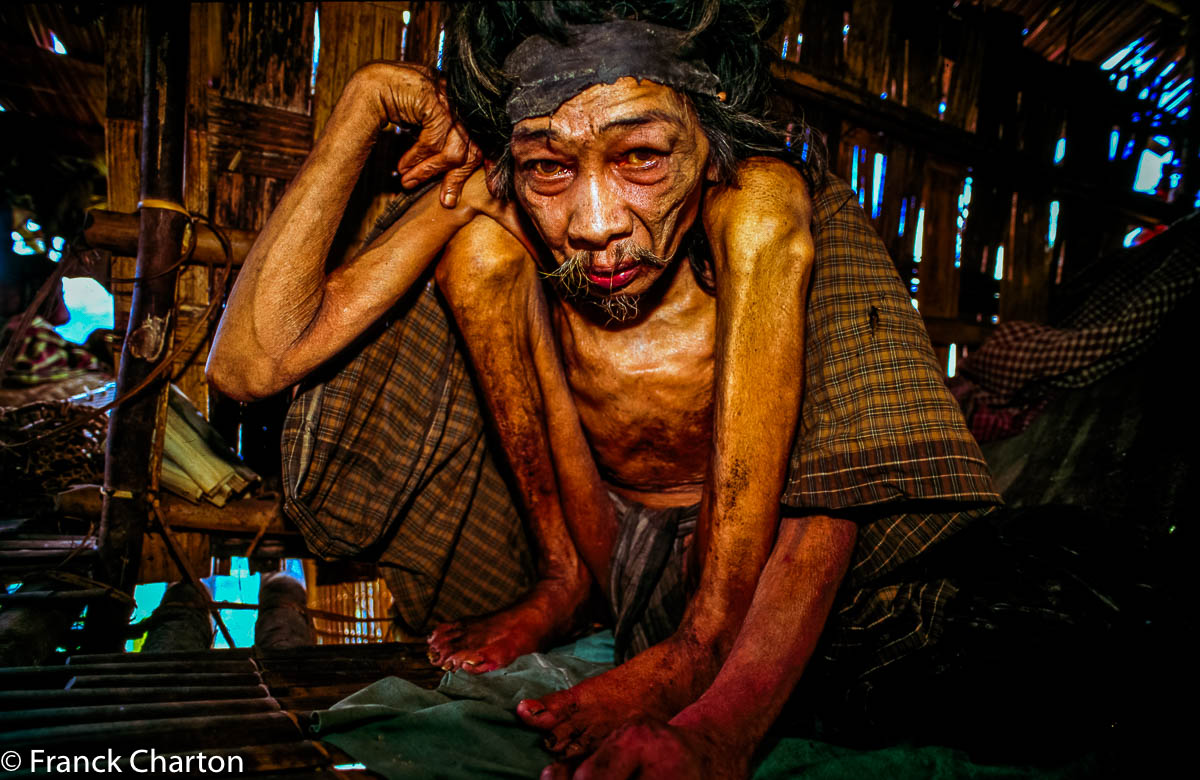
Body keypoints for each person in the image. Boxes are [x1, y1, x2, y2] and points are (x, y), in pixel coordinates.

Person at [208, 1, 999, 776]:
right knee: (476, 252)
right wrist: (365, 99)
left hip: (762, 571)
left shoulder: (751, 194)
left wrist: (712, 687)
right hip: (612, 545)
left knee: (779, 239)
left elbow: (849, 456)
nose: (593, 224)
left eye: (642, 157)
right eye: (550, 165)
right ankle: (564, 578)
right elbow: (249, 365)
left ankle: (704, 644)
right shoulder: (511, 192)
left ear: (708, 130)